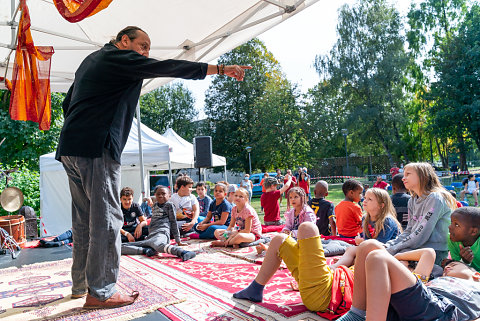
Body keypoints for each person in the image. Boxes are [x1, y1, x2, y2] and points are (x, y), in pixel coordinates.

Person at [55, 25, 251, 308]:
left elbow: (66, 103)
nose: (146, 53)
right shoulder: (119, 58)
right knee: (108, 219)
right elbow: (169, 66)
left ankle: (81, 284)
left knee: (84, 220)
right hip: (97, 147)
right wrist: (219, 69)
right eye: (143, 46)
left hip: (71, 147)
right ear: (124, 41)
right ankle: (101, 292)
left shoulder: (91, 61)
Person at [233, 222, 437, 316]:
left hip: (326, 295)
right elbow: (348, 255)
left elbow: (429, 253)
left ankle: (256, 289)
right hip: (325, 280)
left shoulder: (411, 285)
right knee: (279, 239)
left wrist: (398, 257)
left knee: (308, 228)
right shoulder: (375, 259)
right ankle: (255, 289)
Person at [337, 241, 480, 321]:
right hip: (413, 306)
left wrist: (390, 259)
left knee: (377, 257)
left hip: (440, 311)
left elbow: (429, 253)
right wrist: (396, 259)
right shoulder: (430, 279)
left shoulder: (475, 286)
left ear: (477, 275)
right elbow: (428, 253)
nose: (447, 268)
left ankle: (357, 316)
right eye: (446, 268)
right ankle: (356, 314)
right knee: (368, 246)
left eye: (453, 266)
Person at [385, 162, 456, 265]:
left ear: (422, 176)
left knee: (386, 260)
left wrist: (392, 249)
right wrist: (388, 245)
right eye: (404, 175)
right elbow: (409, 230)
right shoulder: (412, 200)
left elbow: (420, 234)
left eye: (408, 174)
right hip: (415, 247)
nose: (403, 178)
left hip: (434, 252)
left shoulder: (435, 198)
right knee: (372, 247)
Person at [121, 186, 196, 261]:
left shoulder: (169, 205)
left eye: (163, 194)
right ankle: (146, 250)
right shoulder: (155, 205)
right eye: (158, 194)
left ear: (169, 196)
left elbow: (173, 223)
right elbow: (147, 200)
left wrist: (178, 240)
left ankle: (183, 252)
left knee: (158, 245)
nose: (160, 196)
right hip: (150, 237)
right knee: (119, 247)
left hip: (161, 233)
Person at [448, 207, 480, 272]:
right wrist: (465, 262)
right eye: (451, 222)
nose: (450, 227)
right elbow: (458, 267)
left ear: (473, 231)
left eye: (456, 225)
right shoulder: (452, 240)